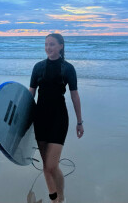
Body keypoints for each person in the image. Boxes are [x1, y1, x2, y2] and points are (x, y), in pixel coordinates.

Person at [29, 33, 84, 203]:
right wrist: (21, 120)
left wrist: (79, 121)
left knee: (51, 165)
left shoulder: (68, 68)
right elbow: (30, 94)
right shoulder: (38, 67)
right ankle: (56, 199)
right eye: (46, 44)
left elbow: (75, 96)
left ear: (61, 46)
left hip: (59, 118)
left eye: (52, 44)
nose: (48, 47)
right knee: (47, 166)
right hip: (40, 118)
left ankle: (59, 198)